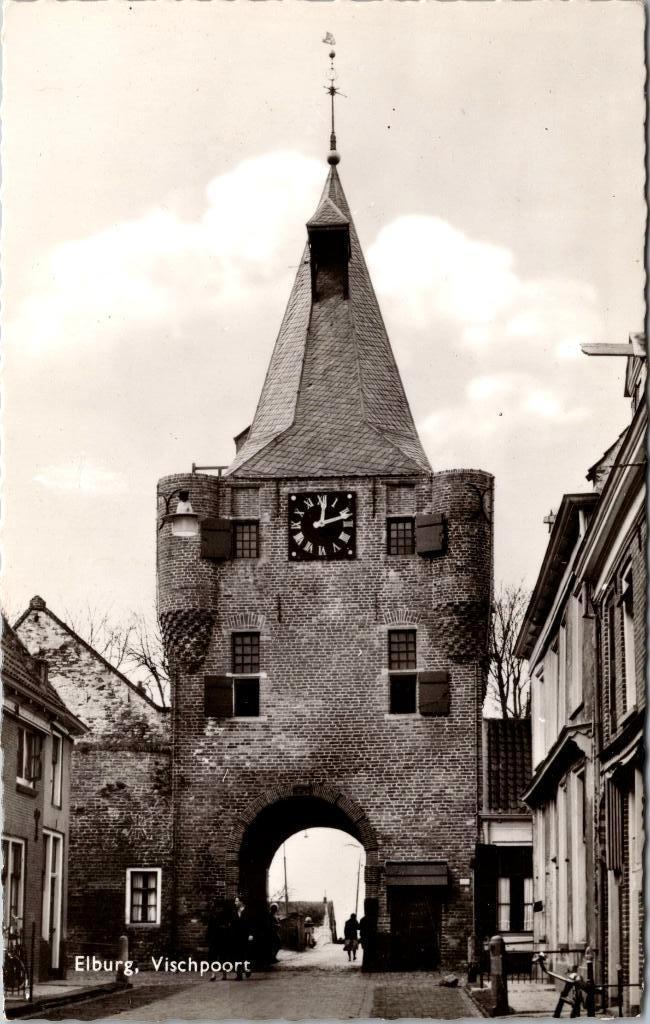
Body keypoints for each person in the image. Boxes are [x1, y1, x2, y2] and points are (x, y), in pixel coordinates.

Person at [230, 896, 255, 979]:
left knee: (246, 954)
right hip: (236, 937)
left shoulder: (248, 911)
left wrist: (251, 934)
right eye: (235, 901)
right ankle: (239, 974)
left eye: (237, 901)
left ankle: (247, 969)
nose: (235, 903)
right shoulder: (234, 912)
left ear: (241, 902)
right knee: (237, 955)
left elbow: (252, 923)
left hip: (245, 936)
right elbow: (232, 925)